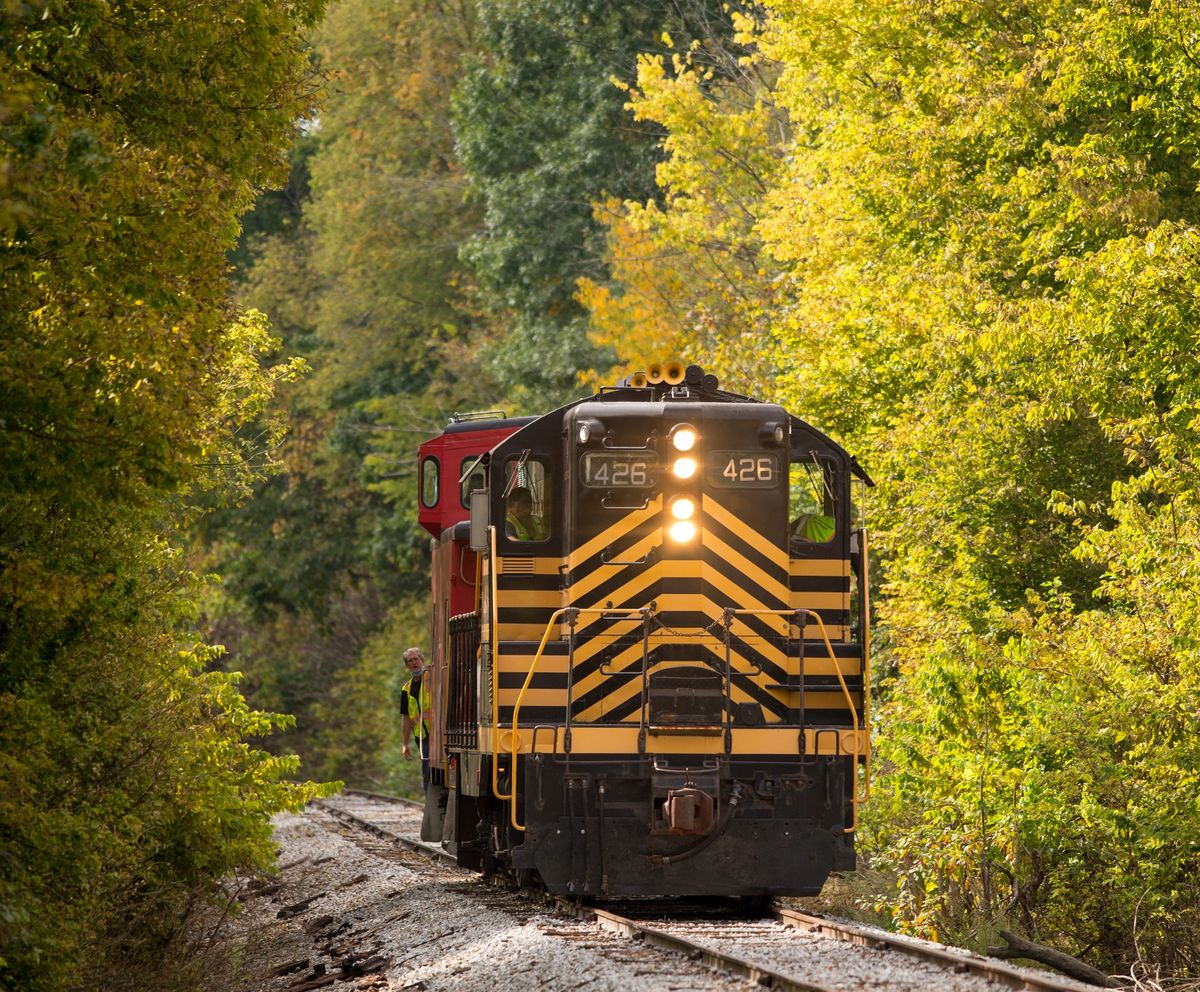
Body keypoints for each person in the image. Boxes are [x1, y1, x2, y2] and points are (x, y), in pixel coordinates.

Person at [400, 647, 431, 794]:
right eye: (410, 661)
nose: (413, 663)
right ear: (407, 666)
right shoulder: (406, 689)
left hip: (439, 734)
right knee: (427, 772)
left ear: (422, 660)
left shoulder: (432, 678)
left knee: (434, 772)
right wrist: (405, 744)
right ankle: (429, 806)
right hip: (422, 738)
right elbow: (406, 718)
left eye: (415, 659)